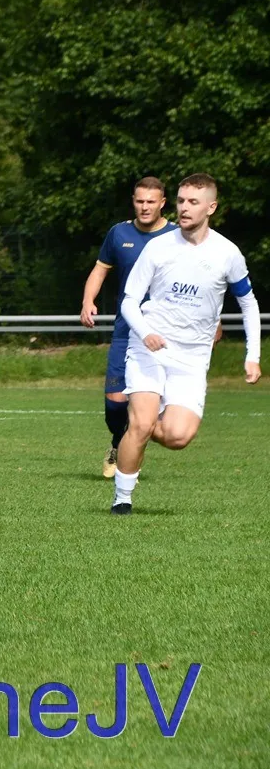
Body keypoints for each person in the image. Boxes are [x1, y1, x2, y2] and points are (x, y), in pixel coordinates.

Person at [111, 174, 260, 514]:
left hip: (192, 357)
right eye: (180, 201)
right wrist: (145, 332)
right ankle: (122, 499)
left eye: (193, 202)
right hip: (149, 348)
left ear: (211, 207)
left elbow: (248, 303)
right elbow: (130, 300)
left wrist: (252, 356)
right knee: (143, 423)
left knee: (178, 437)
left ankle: (137, 426)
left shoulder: (227, 253)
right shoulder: (158, 247)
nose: (184, 208)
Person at [80, 177, 175, 478]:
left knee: (158, 407)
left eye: (151, 202)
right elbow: (99, 270)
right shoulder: (118, 233)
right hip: (126, 331)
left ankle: (132, 450)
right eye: (139, 201)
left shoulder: (177, 236)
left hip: (167, 331)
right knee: (115, 403)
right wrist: (87, 300)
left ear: (162, 203)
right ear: (133, 201)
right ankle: (118, 441)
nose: (145, 207)